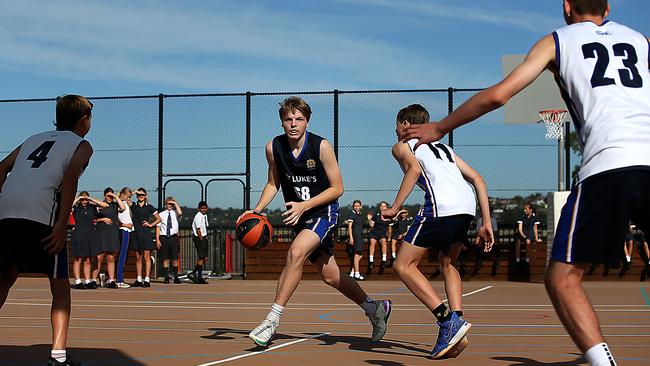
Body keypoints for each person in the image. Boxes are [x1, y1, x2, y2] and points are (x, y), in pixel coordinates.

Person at [401, 2, 650, 364]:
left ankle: (601, 361)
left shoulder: (556, 42)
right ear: (609, 6)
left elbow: (499, 94)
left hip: (608, 165)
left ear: (566, 7)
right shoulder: (639, 40)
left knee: (562, 279)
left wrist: (440, 127)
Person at [241, 96, 391, 347]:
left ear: (307, 121)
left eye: (299, 119)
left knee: (296, 252)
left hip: (324, 212)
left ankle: (272, 320)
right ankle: (374, 308)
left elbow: (338, 188)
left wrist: (304, 206)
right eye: (288, 119)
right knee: (330, 275)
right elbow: (272, 183)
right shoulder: (273, 148)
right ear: (282, 122)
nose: (293, 123)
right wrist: (255, 210)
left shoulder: (321, 146)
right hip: (300, 217)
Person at [382, 103, 493, 359]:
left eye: (397, 124)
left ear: (406, 125)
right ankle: (457, 324)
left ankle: (446, 321)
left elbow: (414, 169)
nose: (395, 130)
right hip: (466, 207)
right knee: (448, 264)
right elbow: (478, 179)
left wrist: (395, 207)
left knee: (403, 265)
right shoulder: (445, 148)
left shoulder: (402, 146)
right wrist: (485, 222)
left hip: (440, 206)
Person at [0, 94, 93, 366]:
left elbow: (1, 168)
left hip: (7, 215)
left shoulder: (33, 139)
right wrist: (61, 223)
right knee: (60, 287)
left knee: (5, 278)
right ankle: (58, 355)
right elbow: (69, 175)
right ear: (84, 120)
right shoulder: (82, 145)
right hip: (41, 218)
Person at [71, 192, 106, 290]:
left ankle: (87, 280)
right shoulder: (76, 208)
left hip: (90, 235)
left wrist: (91, 199)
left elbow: (105, 205)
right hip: (78, 235)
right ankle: (78, 281)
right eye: (83, 200)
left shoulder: (92, 208)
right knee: (78, 259)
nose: (84, 201)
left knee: (88, 259)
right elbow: (70, 205)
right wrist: (79, 198)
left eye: (85, 200)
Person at [92, 188, 125, 289]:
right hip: (101, 233)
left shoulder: (115, 206)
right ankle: (93, 280)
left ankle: (111, 280)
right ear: (104, 196)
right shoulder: (99, 205)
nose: (109, 198)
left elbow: (123, 208)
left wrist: (115, 196)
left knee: (111, 257)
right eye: (108, 196)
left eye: (111, 196)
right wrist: (102, 219)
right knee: (99, 258)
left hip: (112, 233)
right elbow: (92, 220)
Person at [130, 188, 161, 288]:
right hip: (136, 233)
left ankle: (147, 279)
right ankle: (139, 279)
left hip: (146, 234)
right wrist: (134, 192)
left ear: (146, 195)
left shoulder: (149, 207)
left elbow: (159, 218)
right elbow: (126, 199)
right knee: (138, 257)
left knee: (146, 257)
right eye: (139, 194)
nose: (141, 196)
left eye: (143, 194)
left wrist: (151, 225)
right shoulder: (133, 205)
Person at [157, 197, 183, 284]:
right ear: (165, 204)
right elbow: (158, 227)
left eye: (171, 204)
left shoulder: (175, 213)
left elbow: (180, 213)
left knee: (175, 258)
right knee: (165, 258)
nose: (170, 206)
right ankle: (166, 277)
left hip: (173, 237)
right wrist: (157, 239)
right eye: (168, 204)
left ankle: (176, 277)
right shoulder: (161, 214)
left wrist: (175, 203)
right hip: (164, 237)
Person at [367, 201, 393, 275]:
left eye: (384, 206)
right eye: (381, 206)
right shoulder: (376, 215)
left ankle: (384, 261)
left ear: (387, 208)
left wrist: (389, 237)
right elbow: (371, 225)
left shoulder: (389, 217)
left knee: (384, 242)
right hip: (374, 233)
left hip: (382, 234)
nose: (382, 207)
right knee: (372, 242)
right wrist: (369, 219)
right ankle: (371, 261)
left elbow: (390, 229)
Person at [116, 187, 133, 288]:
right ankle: (119, 280)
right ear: (122, 194)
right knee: (122, 255)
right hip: (123, 230)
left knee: (124, 255)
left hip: (129, 230)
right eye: (127, 196)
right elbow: (115, 216)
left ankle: (114, 276)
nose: (129, 199)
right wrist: (124, 224)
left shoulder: (126, 203)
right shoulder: (118, 204)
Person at [188, 201, 209, 284]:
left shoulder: (205, 216)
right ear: (199, 209)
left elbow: (205, 227)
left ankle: (194, 273)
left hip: (204, 237)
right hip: (199, 238)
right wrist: (201, 239)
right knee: (201, 257)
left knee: (204, 258)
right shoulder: (198, 216)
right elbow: (198, 229)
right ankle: (197, 276)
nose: (203, 210)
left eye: (205, 208)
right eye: (202, 208)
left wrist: (206, 237)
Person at [346, 199, 365, 281]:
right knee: (357, 254)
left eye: (358, 206)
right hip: (355, 236)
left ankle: (353, 272)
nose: (356, 207)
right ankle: (357, 273)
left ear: (360, 206)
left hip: (360, 236)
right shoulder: (352, 215)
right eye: (355, 206)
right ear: (353, 207)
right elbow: (349, 226)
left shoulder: (360, 215)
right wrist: (351, 237)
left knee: (360, 255)